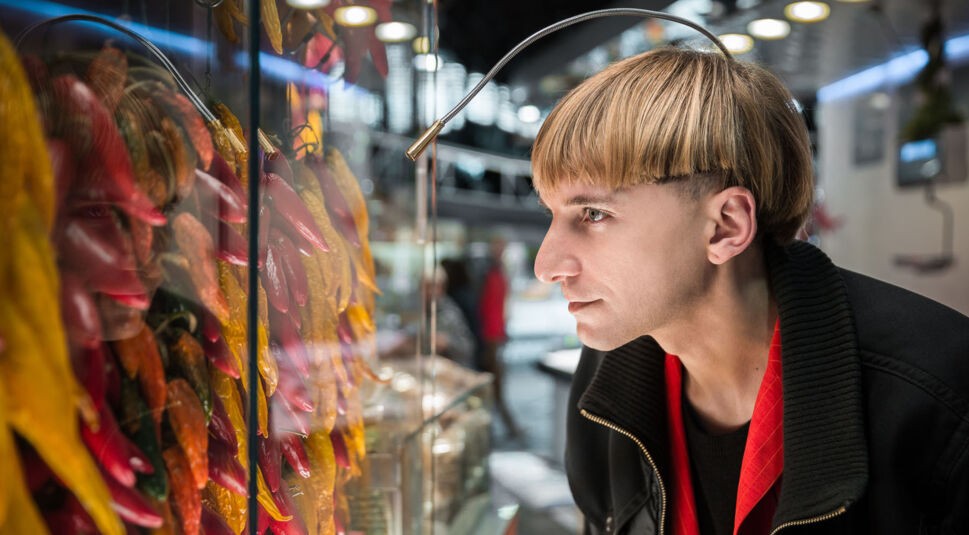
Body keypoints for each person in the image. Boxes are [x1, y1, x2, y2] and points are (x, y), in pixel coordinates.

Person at [530, 47, 969, 534]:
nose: (546, 266)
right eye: (551, 215)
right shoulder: (605, 384)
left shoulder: (938, 400)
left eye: (593, 214)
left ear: (725, 226)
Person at [477, 236, 523, 440]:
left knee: (496, 384)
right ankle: (509, 427)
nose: (500, 249)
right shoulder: (486, 271)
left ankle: (508, 427)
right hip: (489, 337)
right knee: (494, 385)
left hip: (495, 335)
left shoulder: (497, 270)